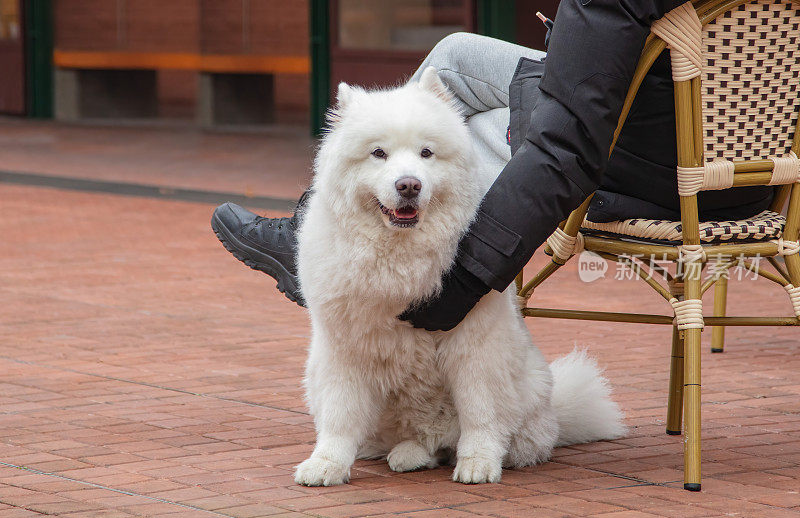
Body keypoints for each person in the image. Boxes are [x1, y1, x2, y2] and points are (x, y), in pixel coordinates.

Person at [211, 0, 772, 330]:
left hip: (651, 172)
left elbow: (566, 152)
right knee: (455, 56)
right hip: (754, 171)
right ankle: (318, 226)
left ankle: (348, 260)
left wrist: (457, 290)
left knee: (466, 134)